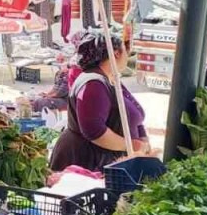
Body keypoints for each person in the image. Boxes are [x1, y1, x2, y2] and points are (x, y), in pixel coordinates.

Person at [50, 29, 150, 172]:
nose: (127, 56)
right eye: (125, 50)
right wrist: (130, 145)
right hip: (86, 161)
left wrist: (142, 140)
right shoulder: (93, 83)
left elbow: (132, 115)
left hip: (109, 160)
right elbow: (94, 131)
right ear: (116, 53)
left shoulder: (111, 78)